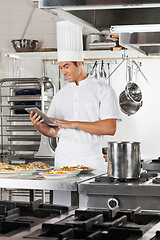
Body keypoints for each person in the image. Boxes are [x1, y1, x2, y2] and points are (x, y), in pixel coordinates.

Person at [30, 21, 121, 171]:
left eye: (67, 66)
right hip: (63, 165)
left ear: (79, 63)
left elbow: (110, 127)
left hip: (92, 165)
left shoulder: (103, 90)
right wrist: (39, 125)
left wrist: (73, 124)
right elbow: (53, 131)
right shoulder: (60, 95)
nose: (63, 72)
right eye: (61, 67)